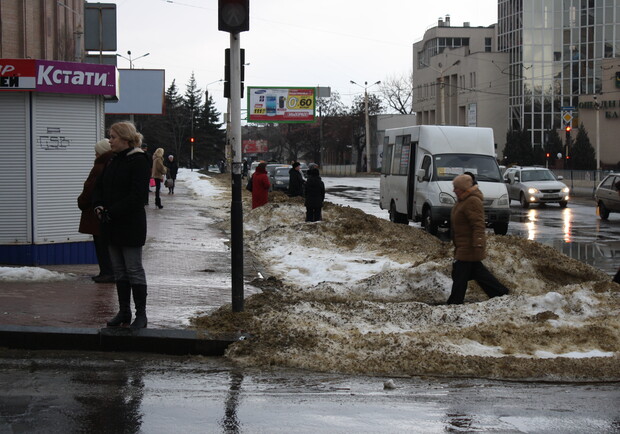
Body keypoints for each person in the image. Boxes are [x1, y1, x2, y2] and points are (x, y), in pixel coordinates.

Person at [93, 121, 151, 329]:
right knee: (119, 271)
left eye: (113, 137)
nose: (110, 140)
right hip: (111, 224)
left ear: (125, 139)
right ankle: (124, 312)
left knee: (133, 269)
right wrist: (98, 205)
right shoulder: (112, 160)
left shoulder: (139, 160)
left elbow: (137, 196)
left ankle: (141, 315)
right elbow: (99, 187)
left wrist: (111, 211)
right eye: (110, 136)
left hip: (130, 224)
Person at [447, 174, 509, 304]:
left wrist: (478, 241)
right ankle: (501, 293)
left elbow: (478, 224)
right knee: (478, 274)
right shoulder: (462, 200)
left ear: (463, 188)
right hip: (463, 245)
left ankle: (455, 302)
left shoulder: (472, 201)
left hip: (469, 245)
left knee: (460, 275)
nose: (454, 190)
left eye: (456, 187)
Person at [77, 139, 115, 283]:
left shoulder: (99, 167)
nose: (95, 154)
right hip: (106, 210)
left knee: (101, 244)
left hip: (95, 212)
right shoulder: (112, 164)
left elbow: (90, 188)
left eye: (96, 152)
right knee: (106, 244)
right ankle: (109, 271)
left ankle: (106, 272)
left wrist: (81, 202)